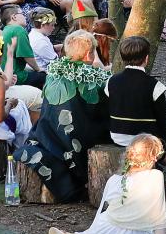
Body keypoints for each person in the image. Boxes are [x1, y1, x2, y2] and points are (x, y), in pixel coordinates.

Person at [46, 133, 166, 234]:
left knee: (105, 223)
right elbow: (158, 220)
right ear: (153, 158)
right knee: (141, 230)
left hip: (106, 233)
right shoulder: (156, 176)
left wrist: (92, 232)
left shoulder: (115, 179)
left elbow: (101, 212)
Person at [13, 30, 112, 203]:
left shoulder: (53, 74)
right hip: (80, 138)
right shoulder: (96, 80)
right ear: (89, 54)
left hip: (49, 134)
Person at [106, 36, 166, 173]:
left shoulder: (110, 82)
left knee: (158, 133)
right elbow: (163, 119)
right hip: (145, 139)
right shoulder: (155, 86)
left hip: (118, 136)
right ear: (146, 58)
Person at [1, 6, 45, 88]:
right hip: (16, 77)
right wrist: (38, 69)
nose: (25, 17)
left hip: (4, 75)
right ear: (14, 17)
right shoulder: (18, 30)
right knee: (44, 76)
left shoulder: (5, 30)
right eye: (22, 14)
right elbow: (27, 57)